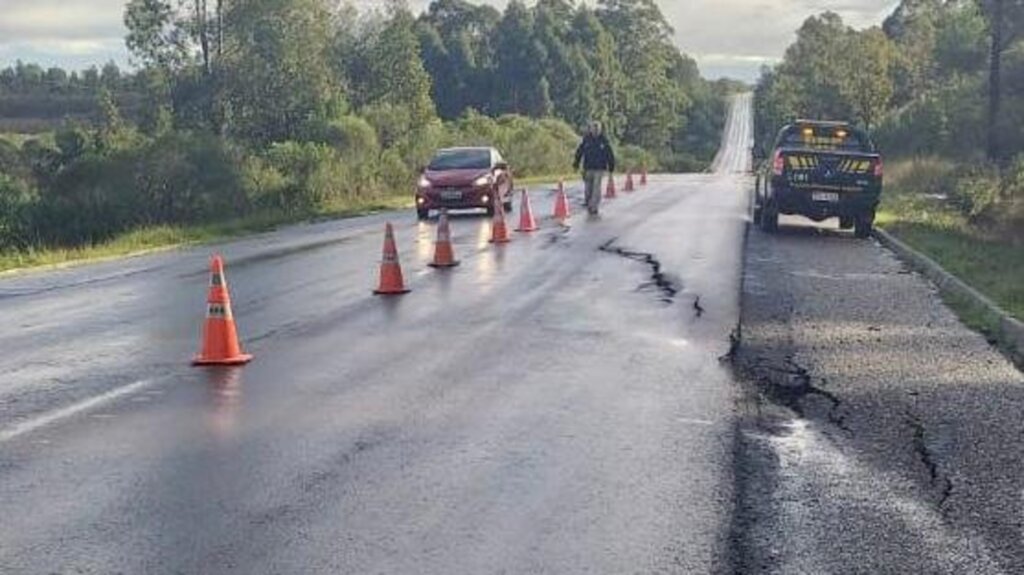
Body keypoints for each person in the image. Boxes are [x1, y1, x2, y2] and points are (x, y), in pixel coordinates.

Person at [573, 121, 616, 216]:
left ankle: (594, 206)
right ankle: (589, 203)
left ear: (600, 130)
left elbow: (610, 154)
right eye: (594, 128)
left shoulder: (604, 141)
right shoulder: (587, 140)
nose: (595, 130)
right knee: (588, 189)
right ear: (591, 129)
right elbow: (579, 152)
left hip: (599, 168)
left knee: (596, 188)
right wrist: (576, 164)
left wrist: (611, 167)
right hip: (588, 168)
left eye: (597, 128)